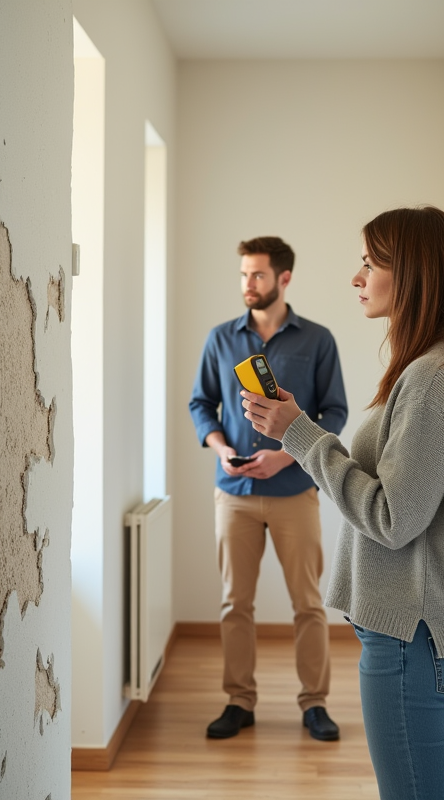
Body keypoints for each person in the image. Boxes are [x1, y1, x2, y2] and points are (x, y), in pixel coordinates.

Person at [239, 207, 444, 799]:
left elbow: (392, 519)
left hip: (412, 640)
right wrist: (299, 426)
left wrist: (299, 435)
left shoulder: (431, 379)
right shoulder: (442, 364)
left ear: (411, 273)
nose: (356, 277)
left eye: (370, 263)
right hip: (431, 634)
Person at [189, 236, 349, 741]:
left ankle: (315, 704)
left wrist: (286, 454)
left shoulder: (318, 340)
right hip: (233, 492)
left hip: (295, 490)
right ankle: (239, 700)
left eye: (257, 274)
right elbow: (201, 404)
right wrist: (220, 449)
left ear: (284, 278)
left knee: (308, 603)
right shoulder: (220, 339)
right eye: (243, 274)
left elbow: (335, 412)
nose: (248, 283)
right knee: (235, 603)